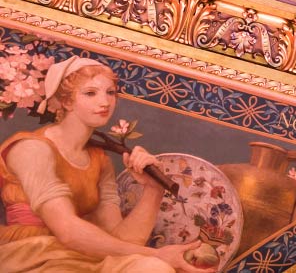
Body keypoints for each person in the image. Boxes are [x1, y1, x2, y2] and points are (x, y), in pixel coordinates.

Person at [0, 56, 207, 272]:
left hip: (80, 256)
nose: (105, 102)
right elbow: (68, 231)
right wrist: (158, 253)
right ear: (67, 101)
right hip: (32, 256)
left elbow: (123, 240)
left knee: (153, 268)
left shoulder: (99, 160)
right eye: (90, 93)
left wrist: (152, 189)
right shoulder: (32, 149)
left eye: (110, 93)